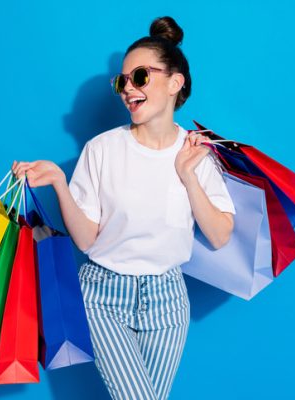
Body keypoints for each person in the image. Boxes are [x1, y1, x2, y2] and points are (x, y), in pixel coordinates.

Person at [13, 16, 235, 400]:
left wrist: (188, 176)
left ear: (175, 82)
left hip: (167, 300)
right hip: (103, 295)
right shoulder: (102, 149)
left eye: (140, 77)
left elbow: (219, 236)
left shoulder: (197, 153)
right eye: (122, 82)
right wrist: (60, 186)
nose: (127, 89)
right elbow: (86, 240)